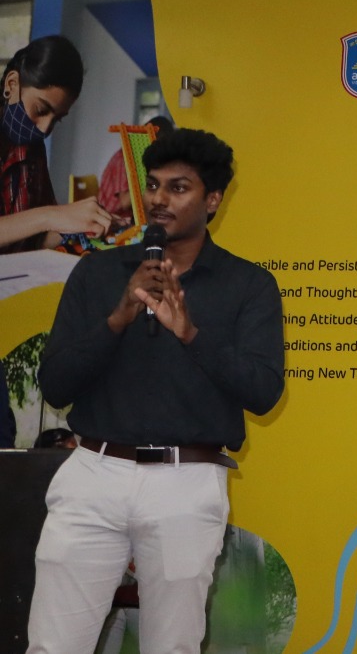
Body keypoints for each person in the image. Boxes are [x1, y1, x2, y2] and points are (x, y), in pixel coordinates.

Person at [27, 128, 284, 654]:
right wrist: (117, 319)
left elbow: (262, 392)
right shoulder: (98, 274)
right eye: (153, 185)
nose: (159, 199)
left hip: (186, 481)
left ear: (213, 200)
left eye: (178, 187)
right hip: (93, 475)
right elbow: (55, 383)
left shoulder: (248, 286)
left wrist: (191, 334)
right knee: (53, 646)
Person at [0, 36, 113, 253]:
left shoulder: (32, 149)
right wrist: (50, 216)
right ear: (12, 84)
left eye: (57, 119)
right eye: (41, 110)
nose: (44, 129)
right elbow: (44, 220)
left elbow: (33, 241)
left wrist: (81, 226)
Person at [96, 115, 174, 228]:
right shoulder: (124, 157)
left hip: (130, 217)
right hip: (112, 217)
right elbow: (124, 202)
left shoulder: (141, 158)